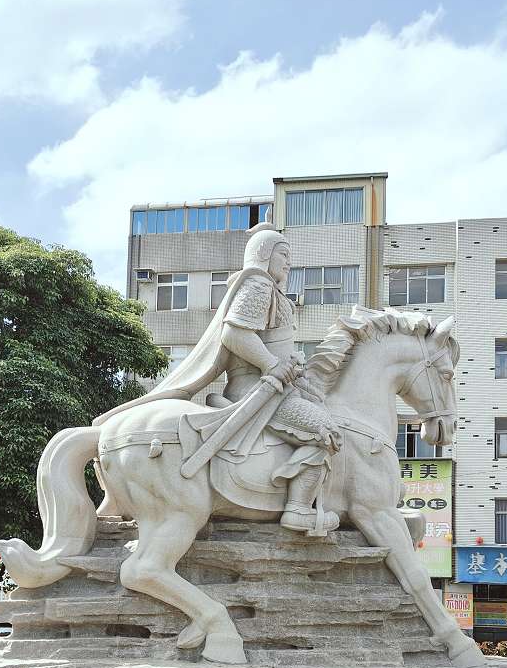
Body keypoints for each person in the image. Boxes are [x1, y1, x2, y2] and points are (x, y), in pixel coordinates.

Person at [96, 223, 340, 534]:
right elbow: (235, 332)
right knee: (326, 430)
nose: (288, 262)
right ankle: (299, 509)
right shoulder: (259, 285)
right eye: (282, 253)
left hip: (279, 388)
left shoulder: (274, 294)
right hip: (262, 392)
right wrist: (271, 365)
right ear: (264, 255)